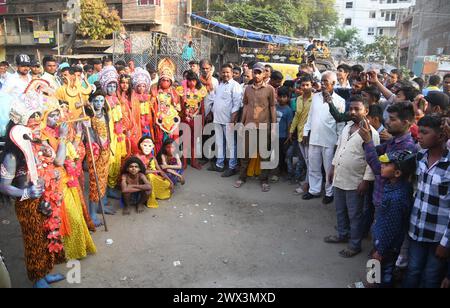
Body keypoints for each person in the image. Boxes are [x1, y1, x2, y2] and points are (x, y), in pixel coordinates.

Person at [0, 94, 66, 288]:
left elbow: (54, 162)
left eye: (39, 119)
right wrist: (27, 193)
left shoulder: (36, 144)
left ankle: (45, 274)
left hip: (44, 200)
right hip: (27, 205)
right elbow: (3, 185)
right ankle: (37, 280)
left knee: (46, 238)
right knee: (33, 242)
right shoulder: (12, 156)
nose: (37, 124)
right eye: (32, 121)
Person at [325, 96, 379, 258]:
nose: (353, 112)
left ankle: (354, 245)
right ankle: (342, 234)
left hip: (356, 181)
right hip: (340, 176)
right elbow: (340, 148)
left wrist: (366, 181)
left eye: (357, 109)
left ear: (366, 111)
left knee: (355, 215)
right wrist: (333, 167)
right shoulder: (346, 127)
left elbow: (372, 159)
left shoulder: (371, 134)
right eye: (351, 109)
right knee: (340, 210)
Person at [403, 115, 450, 288]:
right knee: (413, 270)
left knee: (430, 277)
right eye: (419, 131)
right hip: (416, 229)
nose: (419, 136)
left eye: (424, 132)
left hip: (438, 237)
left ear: (441, 136)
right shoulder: (420, 157)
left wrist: (446, 243)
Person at [302, 71, 346, 204]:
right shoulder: (315, 97)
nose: (322, 83)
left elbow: (340, 123)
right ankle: (314, 190)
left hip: (330, 140)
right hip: (314, 138)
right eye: (322, 81)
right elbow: (310, 116)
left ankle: (329, 192)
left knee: (329, 169)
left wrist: (339, 141)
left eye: (325, 81)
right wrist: (305, 132)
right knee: (313, 167)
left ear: (333, 83)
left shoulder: (339, 100)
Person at [234, 62, 277, 192]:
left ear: (264, 74)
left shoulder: (270, 89)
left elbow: (272, 107)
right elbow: (246, 106)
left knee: (264, 154)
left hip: (264, 125)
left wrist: (274, 126)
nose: (257, 75)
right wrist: (241, 123)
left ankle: (264, 180)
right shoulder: (247, 88)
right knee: (245, 153)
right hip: (249, 125)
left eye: (259, 72)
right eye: (255, 72)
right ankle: (242, 177)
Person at [208, 63, 243, 177]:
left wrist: (233, 118)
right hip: (217, 119)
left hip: (229, 120)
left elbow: (237, 104)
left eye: (228, 72)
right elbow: (217, 101)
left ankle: (232, 167)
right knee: (219, 143)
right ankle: (219, 164)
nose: (225, 74)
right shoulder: (220, 84)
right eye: (223, 72)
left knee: (231, 144)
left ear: (232, 73)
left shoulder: (235, 86)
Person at [99, 66, 126, 203]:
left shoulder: (116, 99)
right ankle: (104, 192)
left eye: (114, 85)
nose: (112, 88)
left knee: (116, 162)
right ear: (104, 87)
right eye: (109, 86)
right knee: (108, 162)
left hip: (118, 134)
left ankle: (111, 187)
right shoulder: (102, 102)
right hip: (108, 135)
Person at [86, 91, 111, 227]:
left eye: (101, 101)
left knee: (103, 179)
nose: (99, 104)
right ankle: (92, 214)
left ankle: (101, 206)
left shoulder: (105, 114)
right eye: (96, 101)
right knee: (95, 183)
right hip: (95, 153)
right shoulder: (88, 117)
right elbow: (89, 136)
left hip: (106, 151)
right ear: (91, 102)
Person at [176, 70, 207, 170]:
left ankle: (193, 161)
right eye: (190, 80)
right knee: (185, 140)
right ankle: (184, 162)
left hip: (196, 119)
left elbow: (202, 107)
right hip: (185, 119)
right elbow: (180, 105)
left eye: (194, 80)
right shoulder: (182, 90)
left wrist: (201, 121)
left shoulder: (201, 91)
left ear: (196, 81)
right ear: (187, 81)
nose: (192, 83)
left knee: (194, 141)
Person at [289, 75, 314, 193]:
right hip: (299, 134)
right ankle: (308, 182)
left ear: (312, 85)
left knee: (310, 161)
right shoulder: (298, 99)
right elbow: (297, 116)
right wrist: (291, 131)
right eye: (303, 85)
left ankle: (308, 185)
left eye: (307, 85)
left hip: (310, 135)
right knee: (305, 159)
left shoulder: (316, 99)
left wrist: (308, 133)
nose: (305, 87)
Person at [136, 136, 173, 208]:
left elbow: (160, 171)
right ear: (140, 145)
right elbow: (142, 171)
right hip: (141, 178)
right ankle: (150, 199)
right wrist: (156, 171)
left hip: (154, 176)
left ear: (152, 147)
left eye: (149, 146)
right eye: (145, 145)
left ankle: (155, 194)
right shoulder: (137, 156)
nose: (147, 148)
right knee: (150, 176)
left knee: (167, 184)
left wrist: (171, 182)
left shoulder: (152, 157)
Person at [274, 86, 294, 179]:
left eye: (284, 97)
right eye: (280, 96)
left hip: (283, 137)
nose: (282, 99)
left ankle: (283, 171)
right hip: (274, 135)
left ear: (288, 98)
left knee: (282, 155)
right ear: (277, 96)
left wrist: (289, 136)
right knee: (276, 154)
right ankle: (277, 170)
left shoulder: (288, 110)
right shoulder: (274, 107)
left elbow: (289, 124)